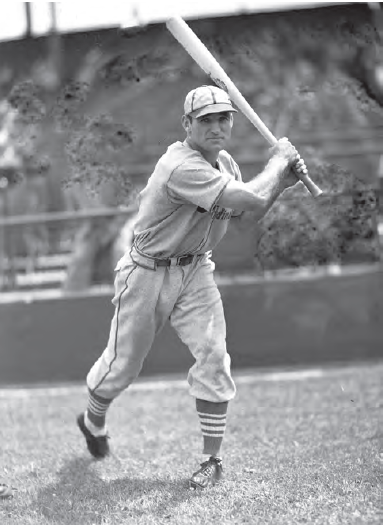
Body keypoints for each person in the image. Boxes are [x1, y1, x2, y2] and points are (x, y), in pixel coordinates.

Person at [76, 85, 307, 489]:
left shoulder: (226, 162)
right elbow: (252, 198)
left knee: (214, 355)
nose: (217, 126)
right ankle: (93, 421)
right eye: (206, 120)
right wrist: (279, 162)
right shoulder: (179, 166)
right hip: (147, 272)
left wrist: (281, 184)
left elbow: (247, 213)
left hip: (196, 270)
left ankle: (211, 459)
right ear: (187, 124)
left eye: (224, 118)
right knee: (122, 367)